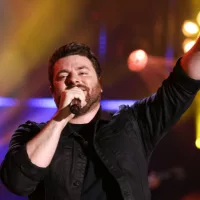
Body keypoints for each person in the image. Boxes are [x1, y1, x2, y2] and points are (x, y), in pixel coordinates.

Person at [0, 37, 200, 200]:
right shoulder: (31, 134)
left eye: (83, 72)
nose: (74, 79)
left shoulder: (133, 123)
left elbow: (182, 84)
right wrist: (61, 119)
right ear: (53, 91)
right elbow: (18, 182)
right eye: (63, 76)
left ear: (100, 84)